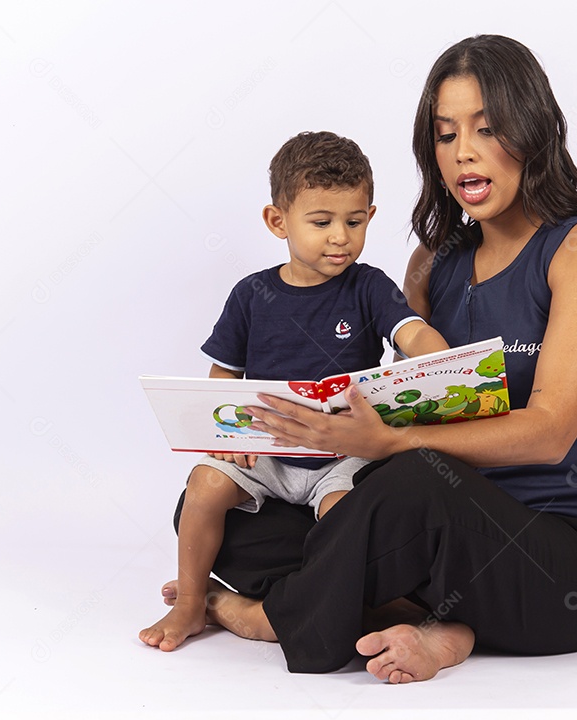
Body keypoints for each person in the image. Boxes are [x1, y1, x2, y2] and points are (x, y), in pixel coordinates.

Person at [166, 34, 577, 683]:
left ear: (534, 130)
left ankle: (277, 616)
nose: (464, 153)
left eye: (487, 127)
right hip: (435, 535)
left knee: (414, 477)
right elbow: (393, 392)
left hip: (573, 561)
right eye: (445, 134)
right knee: (216, 504)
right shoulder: (432, 261)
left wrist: (388, 440)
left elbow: (552, 431)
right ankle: (441, 624)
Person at [139, 130, 449, 652]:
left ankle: (334, 606)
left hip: (341, 455)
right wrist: (226, 432)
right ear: (277, 221)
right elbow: (224, 376)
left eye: (354, 222)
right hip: (267, 449)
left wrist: (440, 361)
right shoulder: (252, 294)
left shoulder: (369, 285)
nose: (340, 238)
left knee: (345, 521)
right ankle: (192, 601)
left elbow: (410, 333)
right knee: (204, 486)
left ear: (370, 216)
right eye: (321, 222)